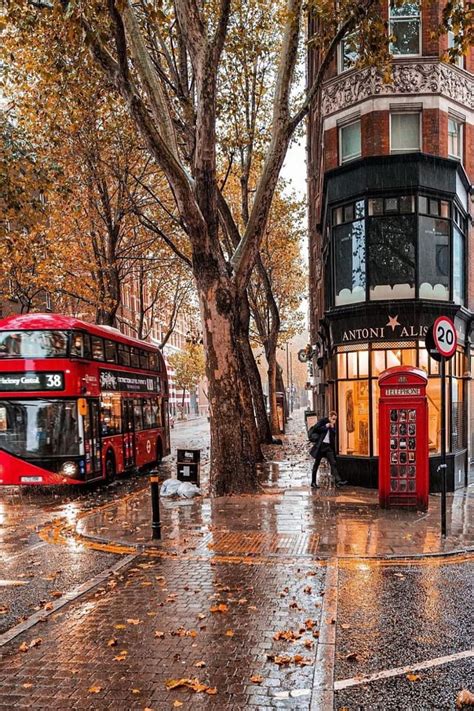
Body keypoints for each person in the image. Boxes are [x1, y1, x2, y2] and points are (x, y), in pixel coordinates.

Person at [308, 411, 347, 489]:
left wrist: (332, 428)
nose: (334, 421)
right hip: (321, 446)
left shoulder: (333, 425)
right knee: (316, 464)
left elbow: (334, 435)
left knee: (333, 463)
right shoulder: (323, 421)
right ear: (329, 417)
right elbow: (316, 428)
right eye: (333, 419)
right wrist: (326, 426)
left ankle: (338, 481)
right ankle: (313, 482)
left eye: (335, 419)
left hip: (328, 447)